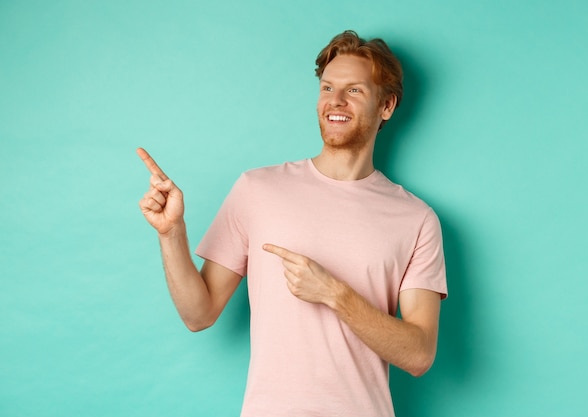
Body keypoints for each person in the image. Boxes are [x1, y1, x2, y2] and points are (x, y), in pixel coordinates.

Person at [138, 30, 447, 417]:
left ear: (386, 106)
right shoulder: (257, 190)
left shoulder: (416, 219)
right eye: (327, 87)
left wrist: (335, 294)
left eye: (354, 91)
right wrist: (171, 233)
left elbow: (419, 354)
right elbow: (198, 315)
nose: (334, 101)